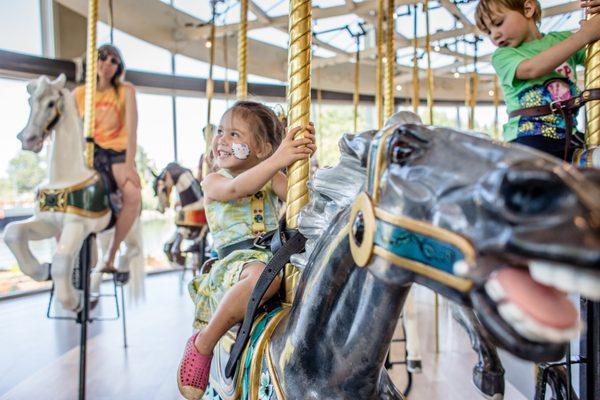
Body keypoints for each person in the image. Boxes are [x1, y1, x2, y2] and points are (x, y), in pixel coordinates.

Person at [177, 101, 316, 400]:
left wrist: (300, 159)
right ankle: (204, 342)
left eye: (235, 135)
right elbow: (236, 189)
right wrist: (277, 160)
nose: (222, 140)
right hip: (235, 264)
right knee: (259, 279)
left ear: (262, 149)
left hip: (275, 257)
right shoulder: (214, 180)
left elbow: (302, 202)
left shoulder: (269, 177)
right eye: (221, 131)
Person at [475, 0, 600, 160]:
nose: (495, 35)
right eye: (488, 31)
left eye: (498, 23)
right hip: (529, 136)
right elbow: (531, 68)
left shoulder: (563, 40)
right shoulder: (503, 55)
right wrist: (584, 35)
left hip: (570, 135)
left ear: (528, 9)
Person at [73, 44, 142, 272]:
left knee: (132, 195)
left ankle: (111, 254)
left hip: (116, 154)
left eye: (114, 60)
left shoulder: (126, 90)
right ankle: (69, 253)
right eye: (103, 58)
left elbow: (131, 131)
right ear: (94, 61)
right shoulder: (80, 94)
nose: (108, 64)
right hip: (89, 154)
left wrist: (130, 164)